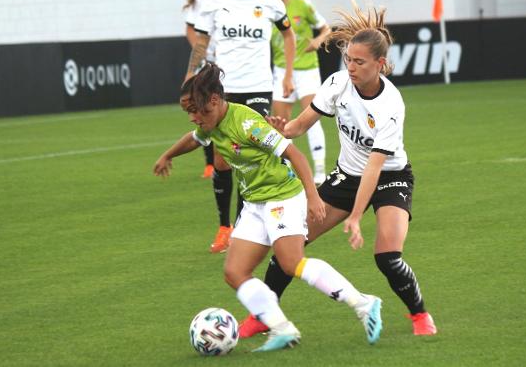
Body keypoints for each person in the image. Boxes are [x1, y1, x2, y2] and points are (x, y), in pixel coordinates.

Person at [239, 2, 438, 337]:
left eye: (359, 62)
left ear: (381, 65)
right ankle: (263, 315)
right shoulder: (337, 84)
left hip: (390, 178)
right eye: (348, 59)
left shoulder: (391, 104)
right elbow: (300, 126)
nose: (351, 67)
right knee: (292, 240)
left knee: (387, 256)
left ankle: (420, 315)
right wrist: (280, 128)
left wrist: (356, 216)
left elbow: (375, 169)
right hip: (347, 177)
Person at [153, 63, 383, 352]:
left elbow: (294, 154)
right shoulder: (211, 123)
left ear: (214, 101)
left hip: (282, 197)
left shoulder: (247, 123)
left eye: (197, 111)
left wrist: (313, 197)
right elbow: (195, 139)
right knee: (234, 272)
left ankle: (363, 303)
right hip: (254, 202)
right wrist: (167, 155)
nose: (193, 118)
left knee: (291, 262)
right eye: (188, 112)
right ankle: (282, 329)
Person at [185, 0, 296, 254]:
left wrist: (287, 74)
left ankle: (245, 226)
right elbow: (202, 43)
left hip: (259, 87)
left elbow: (289, 36)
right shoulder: (213, 3)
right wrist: (190, 74)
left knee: (247, 153)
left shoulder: (270, 2)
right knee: (222, 160)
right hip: (225, 90)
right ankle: (225, 227)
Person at [267, 0, 330, 185]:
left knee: (310, 118)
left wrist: (318, 41)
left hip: (307, 70)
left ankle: (320, 170)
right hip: (281, 71)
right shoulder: (265, 9)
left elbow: (326, 28)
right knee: (280, 125)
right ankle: (289, 173)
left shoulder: (303, 6)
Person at [184, 0, 229, 181]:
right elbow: (191, 30)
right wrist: (203, 53)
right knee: (205, 111)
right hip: (208, 64)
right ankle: (210, 163)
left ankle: (232, 159)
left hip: (232, 65)